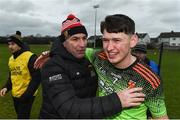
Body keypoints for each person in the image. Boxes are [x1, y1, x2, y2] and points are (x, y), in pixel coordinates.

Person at [37, 14, 145, 119]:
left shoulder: (88, 59)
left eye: (84, 38)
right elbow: (69, 110)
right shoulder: (52, 66)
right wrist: (118, 100)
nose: (82, 44)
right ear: (64, 42)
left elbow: (119, 55)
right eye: (75, 39)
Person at [0, 35, 41, 118]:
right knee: (20, 115)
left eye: (13, 44)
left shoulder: (30, 57)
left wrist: (27, 95)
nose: (10, 46)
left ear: (19, 45)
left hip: (27, 95)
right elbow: (12, 76)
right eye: (8, 44)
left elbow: (37, 78)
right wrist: (6, 87)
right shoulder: (11, 59)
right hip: (15, 94)